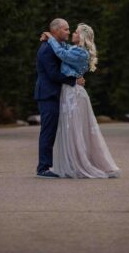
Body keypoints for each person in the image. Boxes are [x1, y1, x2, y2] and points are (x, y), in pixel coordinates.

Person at [40, 22, 120, 179]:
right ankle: (70, 163)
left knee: (74, 129)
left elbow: (62, 54)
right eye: (69, 30)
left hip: (74, 93)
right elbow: (63, 48)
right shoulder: (74, 48)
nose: (72, 34)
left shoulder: (81, 53)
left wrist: (50, 38)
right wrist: (51, 37)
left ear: (82, 37)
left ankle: (79, 164)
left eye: (75, 32)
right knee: (69, 129)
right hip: (68, 92)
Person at [34, 18, 84, 178]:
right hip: (47, 94)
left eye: (70, 29)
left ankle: (50, 165)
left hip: (54, 94)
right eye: (66, 29)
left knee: (52, 131)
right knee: (48, 131)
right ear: (55, 31)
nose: (69, 32)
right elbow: (53, 74)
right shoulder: (47, 49)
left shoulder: (57, 46)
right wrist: (73, 80)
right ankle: (43, 168)